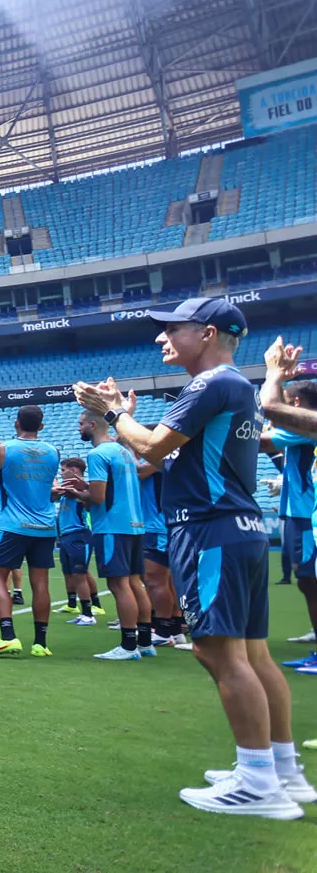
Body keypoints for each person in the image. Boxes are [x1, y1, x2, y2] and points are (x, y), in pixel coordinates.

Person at [74, 302, 310, 818]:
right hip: (237, 528)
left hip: (209, 530)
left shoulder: (209, 386)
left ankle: (257, 783)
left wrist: (114, 412)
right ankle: (281, 770)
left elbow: (153, 450)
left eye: (170, 330)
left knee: (219, 656)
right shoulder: (234, 387)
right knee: (252, 655)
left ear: (204, 334)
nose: (161, 340)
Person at [0, 405, 59, 660]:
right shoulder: (54, 451)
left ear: (16, 423)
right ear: (42, 426)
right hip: (45, 525)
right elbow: (47, 485)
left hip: (14, 525)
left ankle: (7, 637)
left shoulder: (2, 449)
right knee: (41, 584)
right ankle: (40, 643)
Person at [76, 409, 154, 660]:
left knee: (118, 584)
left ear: (94, 424)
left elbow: (97, 497)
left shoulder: (97, 454)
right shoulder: (125, 452)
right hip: (134, 524)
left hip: (111, 526)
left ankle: (128, 646)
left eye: (81, 424)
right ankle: (144, 642)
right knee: (134, 582)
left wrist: (76, 494)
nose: (78, 428)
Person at [260, 380, 317, 655]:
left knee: (308, 577)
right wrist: (283, 484)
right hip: (300, 511)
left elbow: (261, 442)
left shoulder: (305, 427)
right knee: (306, 577)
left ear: (294, 403)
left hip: (306, 515)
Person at [138, 454, 185, 649]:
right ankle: (174, 628)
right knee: (165, 579)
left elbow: (137, 472)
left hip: (157, 526)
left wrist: (127, 446)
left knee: (154, 579)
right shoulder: (163, 461)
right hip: (160, 524)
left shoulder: (159, 460)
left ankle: (164, 630)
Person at [50, 457, 100, 626]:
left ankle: (88, 613)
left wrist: (77, 491)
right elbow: (53, 496)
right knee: (72, 573)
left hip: (79, 534)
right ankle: (79, 609)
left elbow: (88, 503)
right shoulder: (66, 489)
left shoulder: (81, 488)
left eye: (64, 470)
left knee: (80, 574)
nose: (61, 473)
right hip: (66, 536)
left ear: (74, 470)